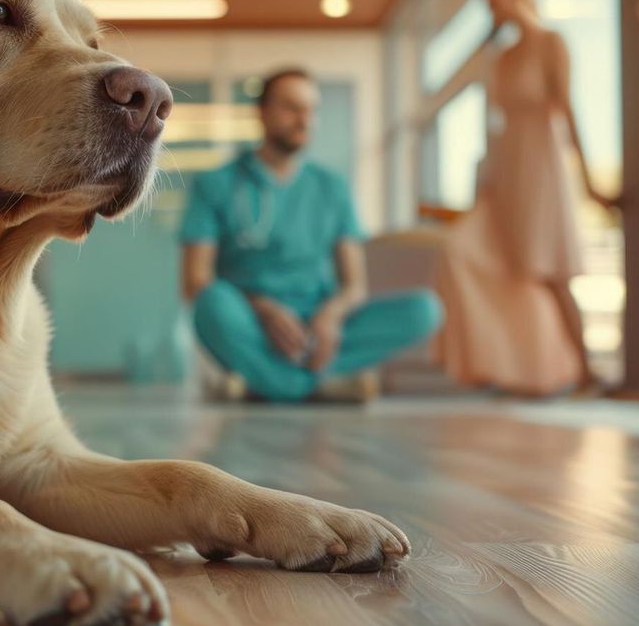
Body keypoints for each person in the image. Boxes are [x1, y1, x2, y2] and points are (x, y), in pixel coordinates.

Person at [179, 68, 443, 402]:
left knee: (425, 310)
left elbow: (354, 286)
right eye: (291, 107)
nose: (304, 119)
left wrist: (330, 318)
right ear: (261, 112)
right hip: (251, 324)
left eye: (311, 110)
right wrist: (266, 310)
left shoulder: (332, 188)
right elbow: (195, 281)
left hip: (318, 327)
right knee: (211, 304)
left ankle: (268, 382)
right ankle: (315, 384)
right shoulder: (216, 184)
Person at [434, 0, 619, 395]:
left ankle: (587, 372)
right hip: (506, 172)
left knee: (550, 270)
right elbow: (495, 131)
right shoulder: (501, 58)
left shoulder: (552, 42)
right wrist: (484, 185)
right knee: (466, 253)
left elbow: (567, 113)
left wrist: (589, 182)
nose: (487, 5)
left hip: (543, 168)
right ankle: (512, 368)